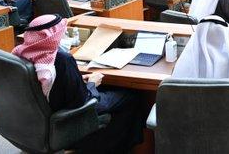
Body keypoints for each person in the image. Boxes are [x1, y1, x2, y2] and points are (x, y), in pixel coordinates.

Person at [12, 15, 145, 152]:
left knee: (110, 89)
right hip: (69, 115)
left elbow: (49, 83)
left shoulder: (23, 54)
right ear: (52, 36)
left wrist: (78, 79)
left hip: (40, 117)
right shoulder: (62, 59)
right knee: (131, 96)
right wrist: (92, 83)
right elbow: (83, 101)